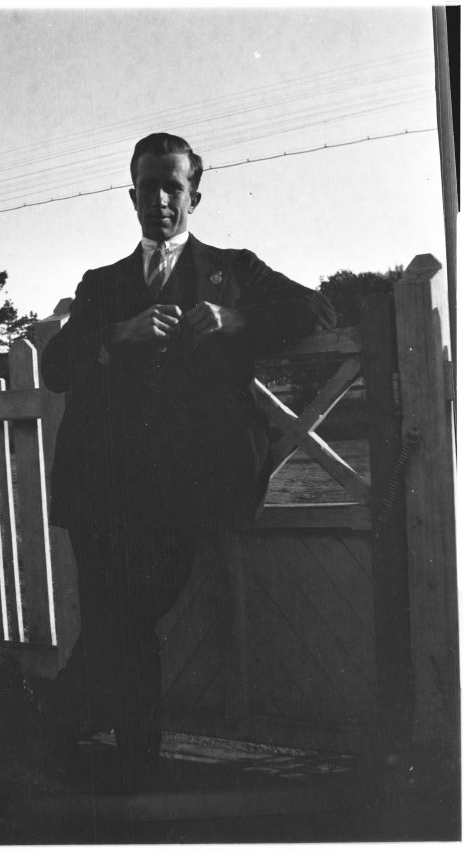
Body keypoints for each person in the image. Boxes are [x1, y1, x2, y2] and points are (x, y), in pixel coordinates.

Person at [40, 132, 335, 791]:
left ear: (194, 196)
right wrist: (118, 334)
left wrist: (236, 321)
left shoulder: (233, 270)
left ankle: (59, 715)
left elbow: (317, 309)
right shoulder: (103, 284)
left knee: (131, 613)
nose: (160, 200)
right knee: (122, 621)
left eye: (172, 187)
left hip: (183, 488)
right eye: (148, 188)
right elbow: (57, 367)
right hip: (101, 486)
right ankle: (135, 762)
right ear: (132, 197)